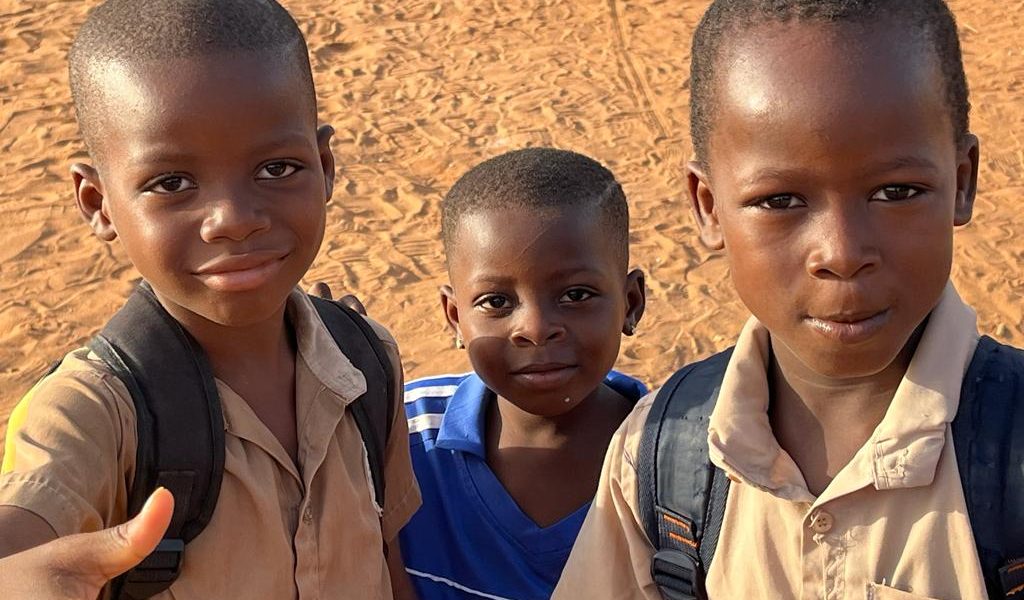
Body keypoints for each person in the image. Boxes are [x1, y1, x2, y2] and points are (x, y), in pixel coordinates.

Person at [553, 1, 1023, 598]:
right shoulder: (657, 457)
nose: (842, 252)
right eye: (781, 201)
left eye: (896, 191)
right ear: (708, 206)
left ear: (963, 181)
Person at [0, 1, 419, 598]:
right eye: (172, 183)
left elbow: (386, 556)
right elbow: (21, 539)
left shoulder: (368, 360)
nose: (233, 220)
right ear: (98, 203)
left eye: (276, 168)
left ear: (324, 166)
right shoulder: (90, 413)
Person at [399, 148, 648, 599]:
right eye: (496, 302)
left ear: (631, 303)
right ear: (455, 317)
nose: (535, 329)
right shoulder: (401, 436)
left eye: (575, 294)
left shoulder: (681, 461)